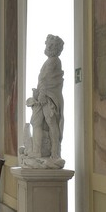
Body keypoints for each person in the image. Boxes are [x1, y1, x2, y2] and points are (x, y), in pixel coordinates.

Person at [24, 34, 65, 164]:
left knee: (51, 122)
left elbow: (49, 80)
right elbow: (44, 80)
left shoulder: (54, 61)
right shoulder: (49, 61)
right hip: (44, 96)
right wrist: (39, 92)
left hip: (50, 97)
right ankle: (40, 150)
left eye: (50, 45)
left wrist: (42, 93)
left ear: (55, 48)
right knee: (40, 124)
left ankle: (55, 152)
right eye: (47, 44)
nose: (47, 47)